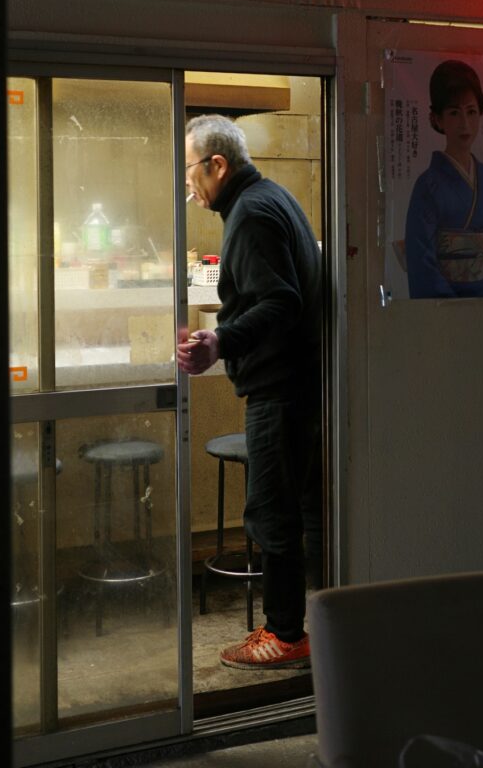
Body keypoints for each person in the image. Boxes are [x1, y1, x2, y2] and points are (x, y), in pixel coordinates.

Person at [177, 113, 322, 670]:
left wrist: (220, 340)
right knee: (294, 510)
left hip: (279, 389)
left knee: (272, 514)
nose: (187, 183)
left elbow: (281, 301)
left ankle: (285, 634)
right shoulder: (268, 197)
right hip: (294, 384)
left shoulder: (252, 213)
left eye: (190, 169)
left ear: (218, 165)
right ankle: (306, 625)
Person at [404, 59, 483, 299]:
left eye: (471, 112)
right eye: (454, 113)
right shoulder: (428, 186)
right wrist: (453, 311)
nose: (465, 124)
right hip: (446, 310)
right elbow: (421, 260)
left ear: (480, 113)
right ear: (438, 119)